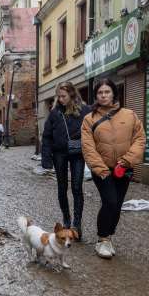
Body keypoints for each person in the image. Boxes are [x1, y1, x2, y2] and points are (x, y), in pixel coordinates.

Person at [82, 78, 145, 259]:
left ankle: (108, 238)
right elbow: (88, 147)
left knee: (117, 205)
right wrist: (101, 169)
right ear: (96, 96)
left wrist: (126, 161)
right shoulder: (89, 119)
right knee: (109, 201)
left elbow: (140, 139)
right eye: (100, 93)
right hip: (102, 170)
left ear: (113, 94)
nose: (103, 95)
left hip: (123, 168)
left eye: (107, 92)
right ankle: (102, 240)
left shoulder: (129, 115)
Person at [41, 82, 91, 240]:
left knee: (77, 187)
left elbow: (92, 129)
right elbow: (47, 136)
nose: (60, 99)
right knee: (62, 187)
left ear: (72, 95)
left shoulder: (84, 110)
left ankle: (77, 224)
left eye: (63, 96)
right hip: (59, 154)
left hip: (77, 153)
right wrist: (46, 159)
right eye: (59, 96)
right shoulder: (55, 113)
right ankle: (67, 220)